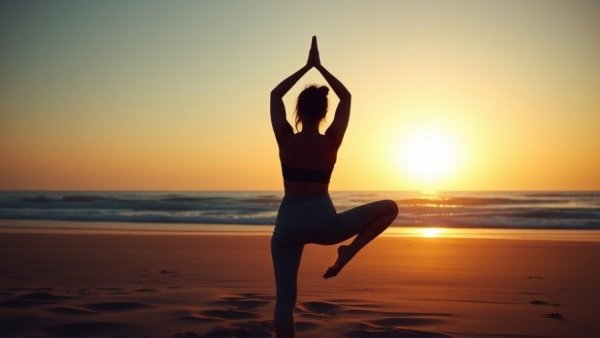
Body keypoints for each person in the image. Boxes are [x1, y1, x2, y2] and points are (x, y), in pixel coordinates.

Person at [270, 36, 399, 337]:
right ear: (324, 113)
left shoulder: (286, 138)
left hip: (288, 225)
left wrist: (306, 67)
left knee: (285, 302)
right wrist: (321, 67)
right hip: (325, 225)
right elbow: (347, 97)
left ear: (298, 111)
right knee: (390, 209)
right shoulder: (332, 141)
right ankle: (348, 252)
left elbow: (275, 94)